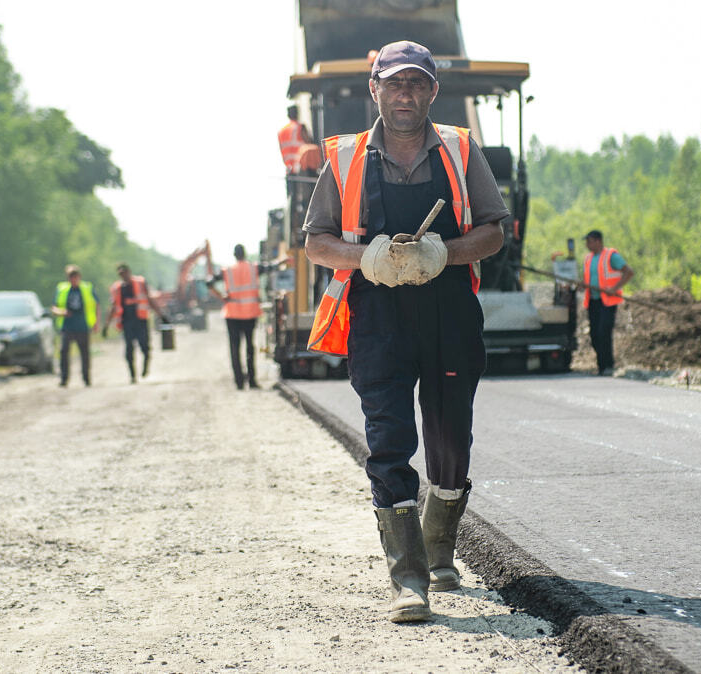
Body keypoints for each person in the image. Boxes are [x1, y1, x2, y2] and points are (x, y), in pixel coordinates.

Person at [303, 40, 508, 623]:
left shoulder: (461, 151)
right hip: (377, 317)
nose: (405, 94)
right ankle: (409, 578)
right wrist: (365, 258)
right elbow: (315, 241)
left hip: (448, 312)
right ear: (376, 90)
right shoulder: (343, 159)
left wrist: (444, 252)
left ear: (432, 92)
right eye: (395, 84)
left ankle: (439, 548)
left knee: (450, 437)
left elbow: (494, 230)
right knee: (389, 440)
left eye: (417, 84)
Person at [206, 244, 284, 390]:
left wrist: (221, 296)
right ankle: (252, 381)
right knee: (250, 346)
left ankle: (239, 382)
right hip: (250, 313)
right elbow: (270, 267)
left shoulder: (227, 271)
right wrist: (283, 261)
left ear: (234, 255)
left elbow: (208, 282)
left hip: (232, 313)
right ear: (245, 254)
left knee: (234, 348)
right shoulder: (253, 268)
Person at [102, 264, 168, 384]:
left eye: (124, 272)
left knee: (145, 347)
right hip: (127, 323)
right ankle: (132, 376)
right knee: (129, 350)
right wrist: (106, 325)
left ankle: (145, 366)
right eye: (120, 274)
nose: (123, 276)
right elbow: (112, 307)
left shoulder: (140, 283)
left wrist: (161, 315)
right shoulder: (117, 288)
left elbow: (149, 300)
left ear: (129, 271)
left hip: (141, 321)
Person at [581, 230, 634, 376]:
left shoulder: (611, 256)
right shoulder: (588, 259)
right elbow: (588, 278)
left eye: (589, 241)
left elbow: (629, 272)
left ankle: (607, 366)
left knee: (604, 332)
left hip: (608, 302)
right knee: (594, 334)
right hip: (593, 301)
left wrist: (615, 288)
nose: (587, 244)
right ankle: (601, 365)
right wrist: (582, 285)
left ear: (598, 241)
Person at [51, 264, 100, 387]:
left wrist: (96, 322)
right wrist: (62, 312)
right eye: (70, 277)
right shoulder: (62, 289)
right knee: (63, 352)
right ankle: (64, 379)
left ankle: (86, 378)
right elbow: (54, 307)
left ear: (79, 276)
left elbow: (97, 304)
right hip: (67, 326)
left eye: (75, 276)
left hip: (82, 326)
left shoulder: (87, 288)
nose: (73, 279)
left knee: (85, 354)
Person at [278, 105, 314, 174]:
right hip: (302, 168)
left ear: (288, 115)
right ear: (297, 114)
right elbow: (310, 144)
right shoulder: (300, 127)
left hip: (290, 169)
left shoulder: (281, 131)